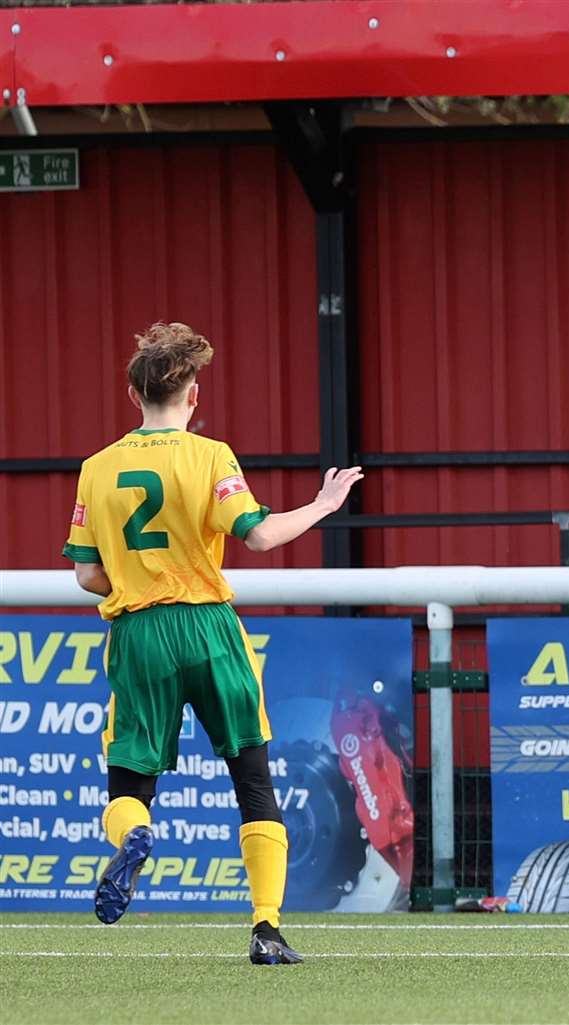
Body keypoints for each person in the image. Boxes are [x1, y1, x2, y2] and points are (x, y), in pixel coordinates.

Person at [63, 322, 363, 964]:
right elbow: (257, 535)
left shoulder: (97, 469)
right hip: (208, 625)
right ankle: (266, 926)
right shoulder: (210, 456)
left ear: (131, 394)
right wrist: (322, 504)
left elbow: (88, 573)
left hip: (140, 630)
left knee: (128, 783)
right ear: (192, 396)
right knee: (251, 776)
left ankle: (136, 835)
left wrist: (134, 575)